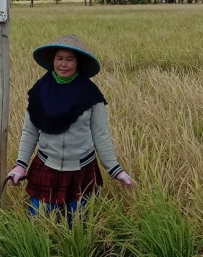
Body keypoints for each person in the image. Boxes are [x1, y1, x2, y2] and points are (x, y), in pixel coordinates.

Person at [7, 34, 133, 227]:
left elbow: (101, 135)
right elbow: (30, 131)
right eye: (59, 58)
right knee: (39, 225)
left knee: (80, 227)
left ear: (78, 63)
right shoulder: (40, 91)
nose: (63, 64)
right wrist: (20, 165)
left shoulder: (90, 94)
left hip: (82, 169)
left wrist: (116, 171)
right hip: (46, 166)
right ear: (52, 61)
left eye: (69, 59)